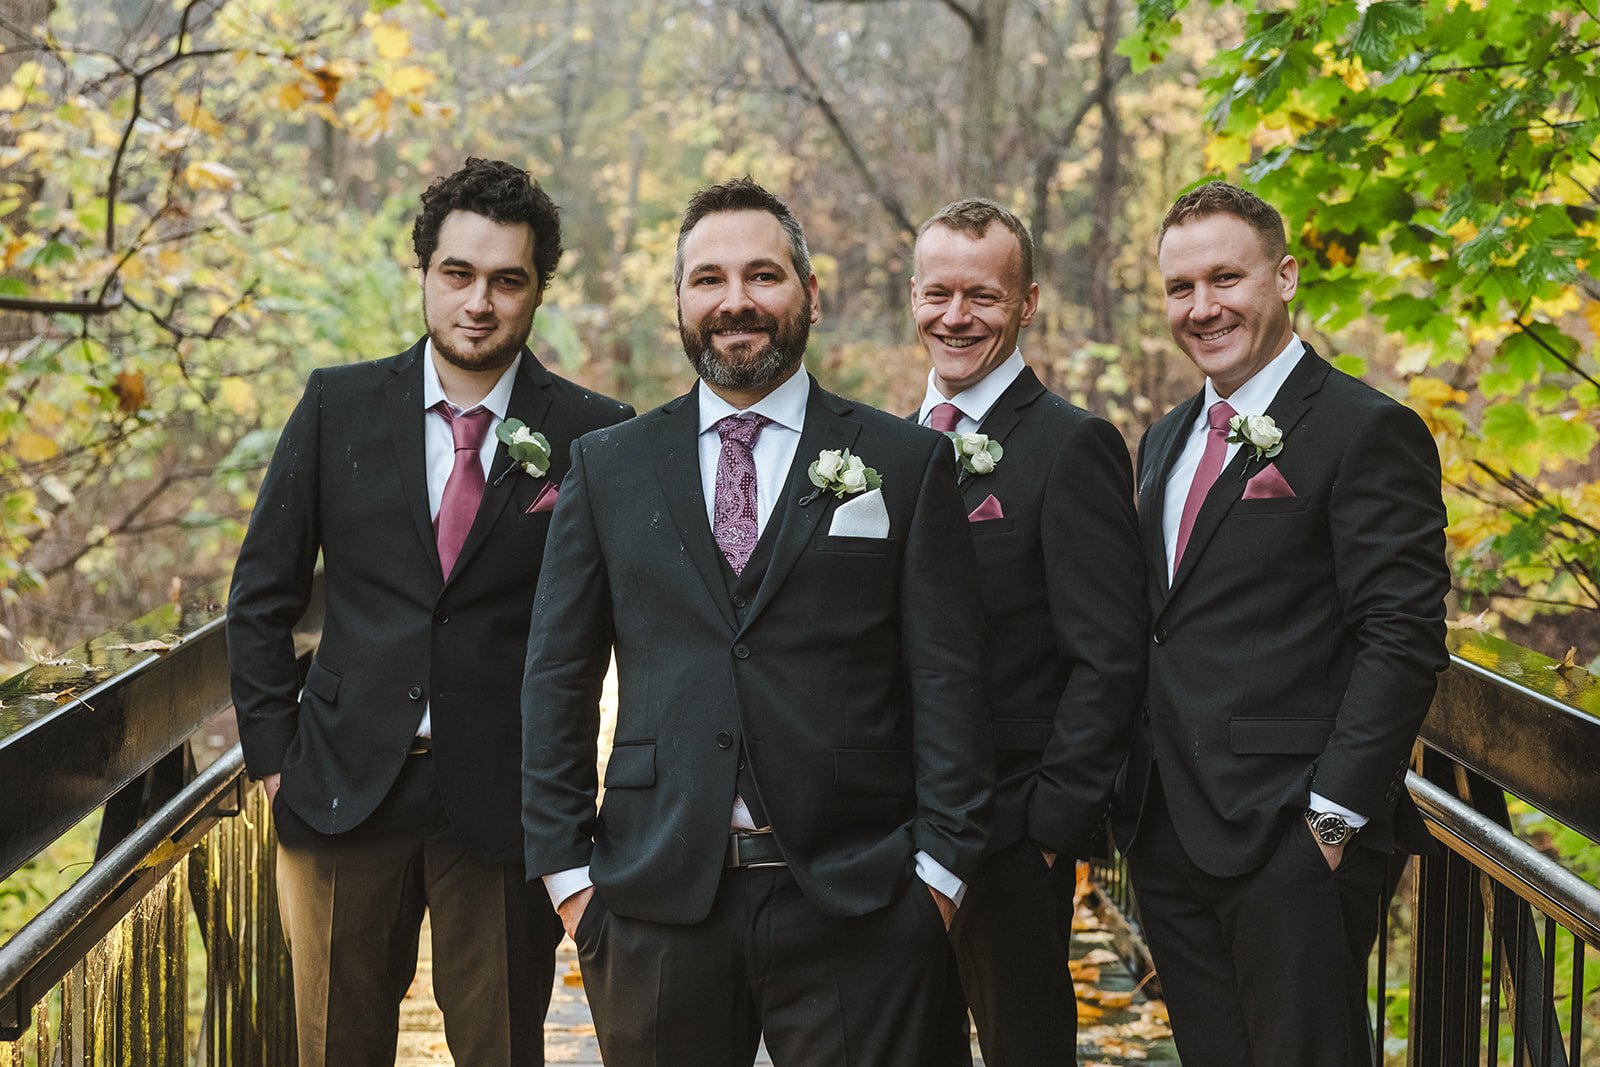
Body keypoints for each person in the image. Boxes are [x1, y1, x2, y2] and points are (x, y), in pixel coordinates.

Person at [521, 176, 993, 1066]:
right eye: (708, 280)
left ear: (809, 294)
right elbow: (557, 676)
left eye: (762, 275)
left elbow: (949, 679)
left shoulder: (903, 460)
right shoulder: (610, 465)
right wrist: (570, 881)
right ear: (680, 302)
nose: (735, 301)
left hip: (859, 900)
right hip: (656, 899)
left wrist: (938, 876)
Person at [226, 157, 634, 1066]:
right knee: (333, 1045)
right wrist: (271, 760)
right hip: (339, 784)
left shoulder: (594, 432)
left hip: (506, 797)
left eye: (506, 280)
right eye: (458, 273)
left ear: (537, 293)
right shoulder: (339, 405)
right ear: (425, 273)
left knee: (500, 1045)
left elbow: (629, 627)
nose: (478, 302)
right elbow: (261, 593)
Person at [1114, 180, 1450, 1066]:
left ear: (1287, 276)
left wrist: (1331, 824)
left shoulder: (1366, 430)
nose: (1202, 306)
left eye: (1227, 278)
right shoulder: (1166, 437)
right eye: (1180, 287)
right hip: (1167, 827)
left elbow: (1403, 637)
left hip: (1290, 841)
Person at [909, 198, 1146, 1067]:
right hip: (895, 826)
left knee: (1025, 1047)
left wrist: (1051, 827)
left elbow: (1108, 654)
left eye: (984, 296)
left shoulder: (1072, 445)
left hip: (1012, 832)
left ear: (1028, 302)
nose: (957, 317)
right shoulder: (886, 448)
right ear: (913, 296)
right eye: (939, 294)